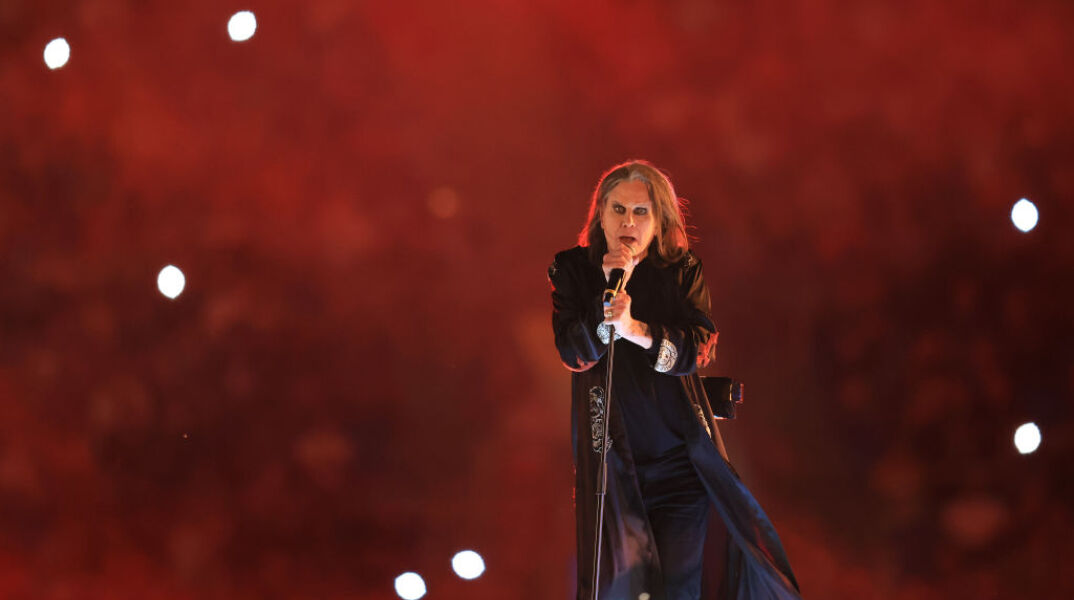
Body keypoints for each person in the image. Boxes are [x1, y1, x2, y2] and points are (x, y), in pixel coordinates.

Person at [548, 160, 802, 599]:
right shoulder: (573, 270)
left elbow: (698, 348)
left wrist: (639, 331)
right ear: (600, 216)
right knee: (626, 590)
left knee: (677, 588)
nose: (628, 222)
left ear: (659, 219)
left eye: (641, 211)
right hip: (613, 468)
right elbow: (574, 352)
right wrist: (609, 310)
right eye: (618, 210)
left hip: (679, 465)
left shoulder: (680, 272)